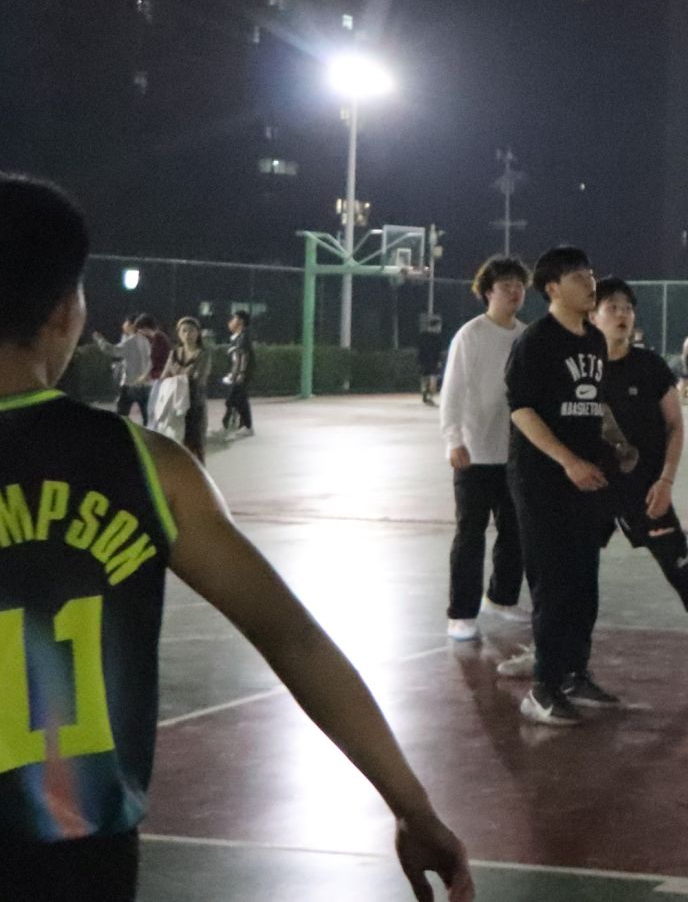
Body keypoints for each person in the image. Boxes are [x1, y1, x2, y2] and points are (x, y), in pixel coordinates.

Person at [0, 174, 472, 902]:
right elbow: (293, 637)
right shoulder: (146, 466)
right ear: (66, 309)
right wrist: (412, 805)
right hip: (78, 859)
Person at [591, 279, 688, 688]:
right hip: (593, 490)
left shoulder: (650, 366)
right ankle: (552, 651)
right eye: (612, 307)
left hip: (647, 491)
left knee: (680, 570)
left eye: (627, 308)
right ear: (593, 315)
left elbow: (675, 426)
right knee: (569, 577)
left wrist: (666, 479)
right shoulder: (581, 369)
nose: (622, 315)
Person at [500, 246, 616, 726]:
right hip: (542, 479)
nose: (590, 284)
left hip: (585, 479)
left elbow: (594, 405)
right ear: (552, 289)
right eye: (578, 278)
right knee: (553, 584)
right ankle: (542, 688)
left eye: (591, 275)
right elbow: (522, 410)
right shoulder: (536, 342)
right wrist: (568, 461)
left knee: (584, 582)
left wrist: (616, 444)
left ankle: (574, 673)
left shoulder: (594, 340)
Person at [439, 256, 531, 643]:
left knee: (516, 532)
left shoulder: (526, 336)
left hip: (515, 454)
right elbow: (453, 390)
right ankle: (461, 613)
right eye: (506, 285)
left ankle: (502, 598)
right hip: (474, 453)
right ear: (488, 291)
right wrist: (453, 439)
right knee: (470, 534)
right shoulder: (471, 335)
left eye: (519, 285)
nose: (515, 292)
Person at [159, 318, 209, 462]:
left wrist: (177, 375)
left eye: (191, 331)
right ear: (179, 333)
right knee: (177, 443)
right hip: (175, 406)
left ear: (198, 333)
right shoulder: (174, 353)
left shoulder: (203, 354)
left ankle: (199, 473)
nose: (188, 334)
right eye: (184, 331)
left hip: (194, 404)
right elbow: (164, 376)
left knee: (196, 443)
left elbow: (199, 378)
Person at [93, 317, 154, 422]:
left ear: (131, 325)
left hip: (131, 384)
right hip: (146, 384)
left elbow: (113, 351)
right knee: (147, 416)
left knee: (122, 414)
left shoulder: (131, 341)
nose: (123, 326)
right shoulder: (145, 340)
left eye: (125, 323)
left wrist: (100, 340)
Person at [219, 312, 254, 441]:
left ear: (240, 321)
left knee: (236, 399)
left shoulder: (243, 337)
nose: (230, 322)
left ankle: (246, 426)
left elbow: (244, 356)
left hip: (242, 374)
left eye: (233, 319)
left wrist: (241, 373)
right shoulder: (236, 337)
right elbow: (235, 359)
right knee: (235, 400)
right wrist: (232, 374)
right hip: (237, 374)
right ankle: (233, 425)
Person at [416, 316, 445, 406]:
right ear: (435, 326)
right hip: (431, 361)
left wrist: (419, 361)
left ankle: (426, 393)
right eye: (439, 326)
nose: (439, 328)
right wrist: (439, 361)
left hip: (426, 361)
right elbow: (438, 351)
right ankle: (429, 396)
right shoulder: (436, 338)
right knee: (431, 379)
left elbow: (420, 349)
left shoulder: (423, 336)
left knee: (426, 378)